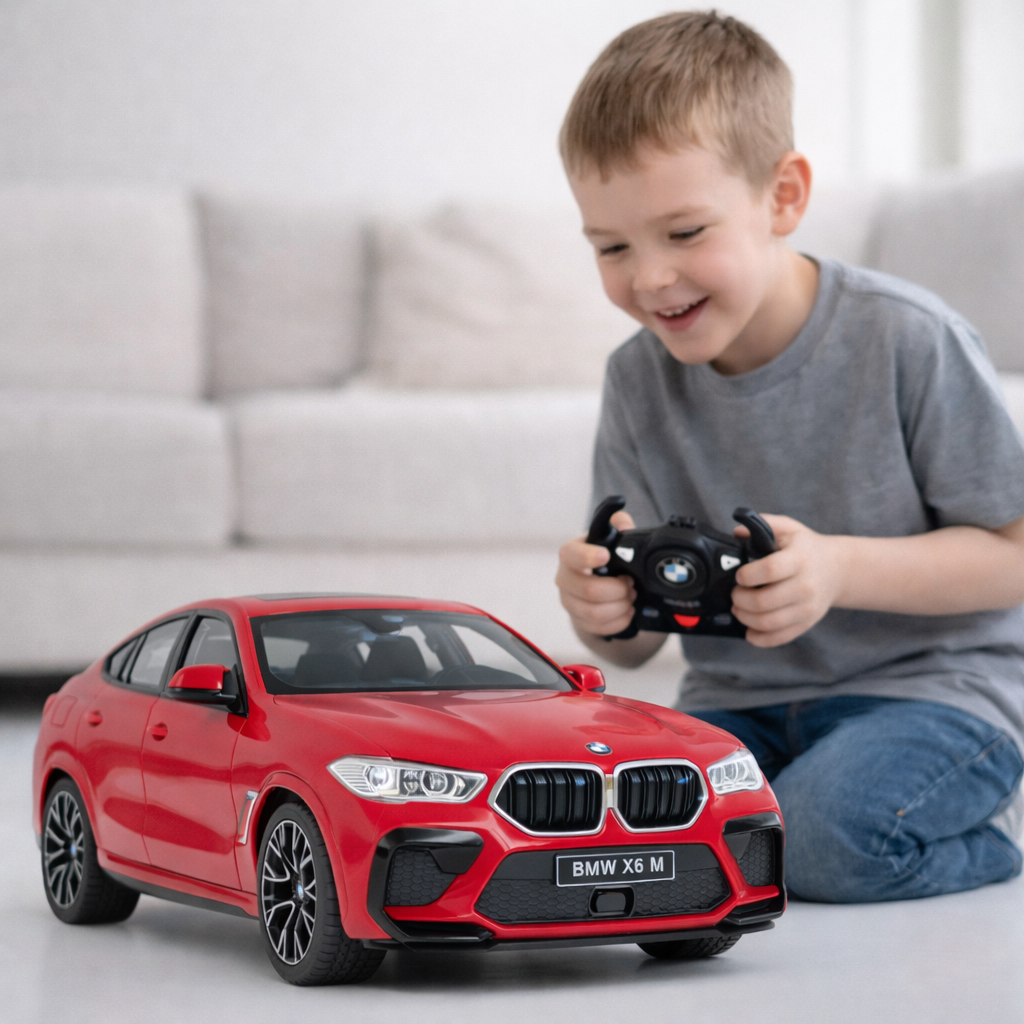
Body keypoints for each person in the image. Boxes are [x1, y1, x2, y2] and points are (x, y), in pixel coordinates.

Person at [554, 10, 1024, 902]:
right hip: (737, 703)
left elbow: (1014, 556)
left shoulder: (907, 339)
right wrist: (602, 612)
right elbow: (637, 642)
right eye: (612, 247)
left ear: (782, 196)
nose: (649, 278)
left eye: (684, 233)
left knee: (817, 838)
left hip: (931, 693)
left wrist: (838, 569)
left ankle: (993, 840)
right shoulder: (637, 381)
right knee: (631, 827)